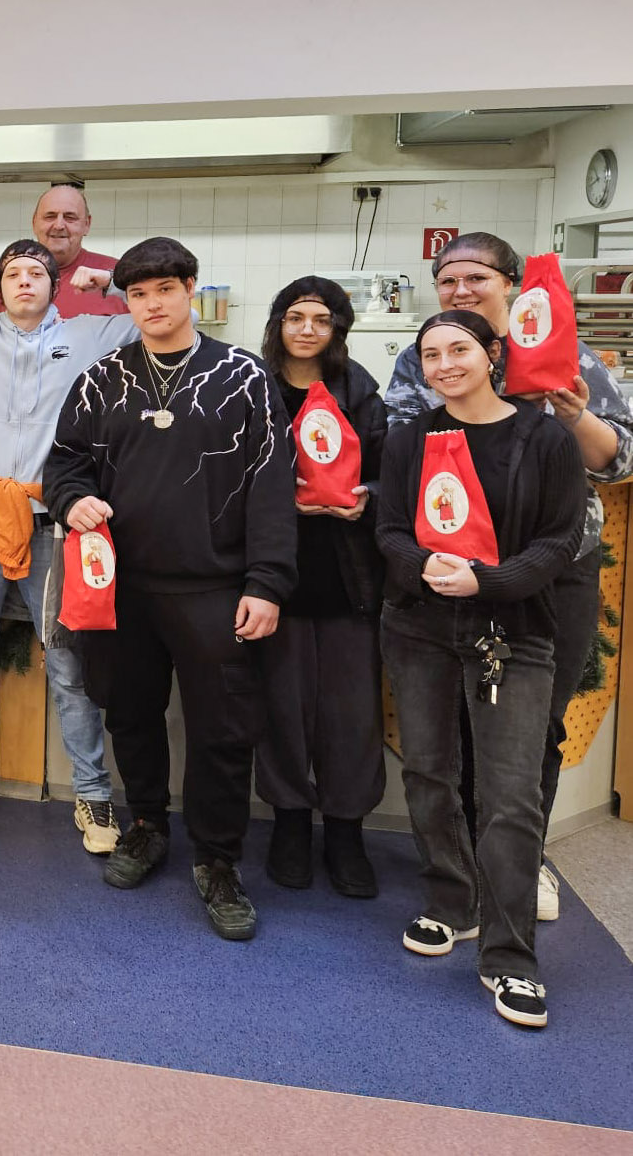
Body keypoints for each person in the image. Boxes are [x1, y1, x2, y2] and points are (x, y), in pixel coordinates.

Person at [45, 237, 296, 942]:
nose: (152, 305)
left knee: (222, 728)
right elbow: (64, 463)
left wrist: (268, 581)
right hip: (122, 587)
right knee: (129, 712)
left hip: (215, 585)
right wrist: (73, 503)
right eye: (138, 294)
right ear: (126, 302)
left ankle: (218, 858)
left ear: (190, 289)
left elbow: (273, 485)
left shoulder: (243, 377)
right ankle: (148, 823)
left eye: (164, 290)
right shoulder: (102, 380)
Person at [384, 231, 633, 921]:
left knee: (533, 731)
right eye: (448, 279)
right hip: (448, 574)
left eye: (476, 277)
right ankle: (459, 874)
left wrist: (572, 413)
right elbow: (403, 450)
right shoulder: (423, 356)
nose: (461, 290)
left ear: (512, 283)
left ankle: (520, 867)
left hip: (553, 569)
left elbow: (619, 460)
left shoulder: (566, 348)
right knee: (448, 736)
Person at [377, 309, 586, 1029]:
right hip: (419, 627)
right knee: (428, 772)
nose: (445, 364)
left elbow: (562, 541)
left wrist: (488, 580)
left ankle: (510, 957)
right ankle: (451, 901)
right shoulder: (410, 437)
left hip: (514, 630)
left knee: (509, 795)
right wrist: (421, 564)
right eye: (431, 354)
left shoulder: (545, 439)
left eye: (459, 349)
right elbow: (389, 529)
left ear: (493, 352)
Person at [0, 241, 137, 846]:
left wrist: (108, 281)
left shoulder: (89, 333)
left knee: (67, 663)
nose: (25, 283)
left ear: (54, 284)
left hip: (52, 519)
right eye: (13, 274)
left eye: (37, 273)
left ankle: (92, 795)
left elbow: (155, 309)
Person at [255, 277, 387, 895]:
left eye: (322, 320)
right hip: (273, 575)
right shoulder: (249, 384)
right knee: (280, 706)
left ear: (338, 329)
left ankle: (345, 830)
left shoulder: (357, 388)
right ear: (278, 322)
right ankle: (287, 822)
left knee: (349, 713)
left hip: (346, 574)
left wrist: (369, 500)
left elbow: (390, 469)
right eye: (296, 317)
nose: (307, 329)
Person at [0, 184, 125, 318]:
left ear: (86, 224)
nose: (59, 225)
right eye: (50, 216)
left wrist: (112, 282)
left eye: (70, 217)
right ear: (34, 222)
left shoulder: (115, 276)